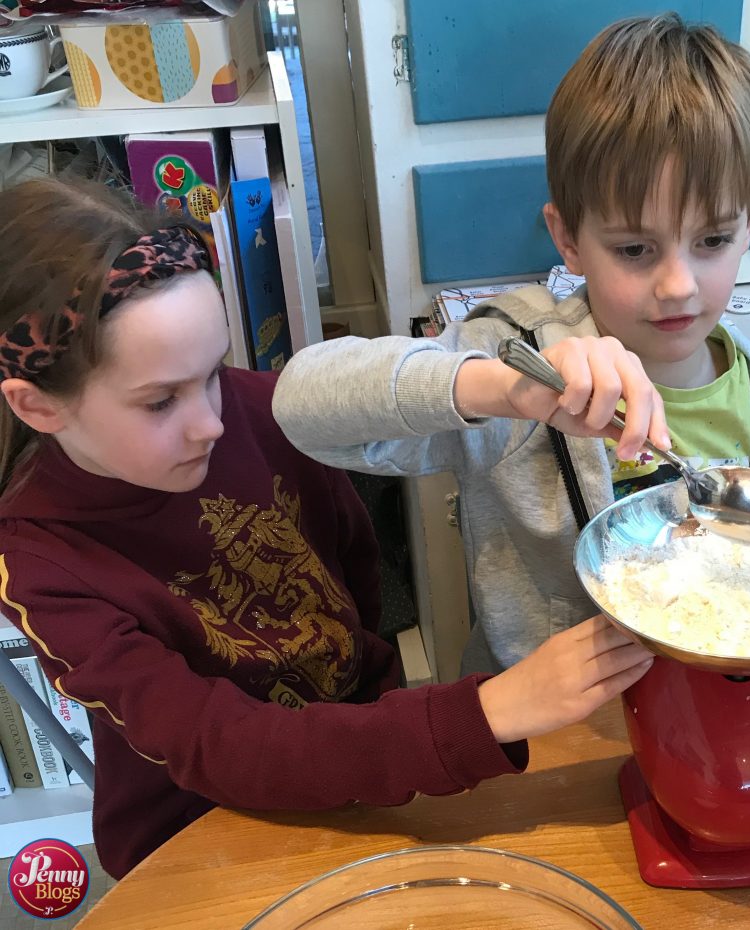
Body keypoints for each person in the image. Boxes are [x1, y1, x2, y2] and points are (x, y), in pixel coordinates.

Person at [0, 178, 657, 879]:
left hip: (364, 761)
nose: (214, 422)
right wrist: (489, 710)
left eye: (214, 372)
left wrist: (506, 387)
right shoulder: (42, 561)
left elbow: (353, 557)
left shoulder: (250, 413)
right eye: (161, 401)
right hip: (202, 832)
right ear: (38, 408)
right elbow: (224, 747)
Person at [273, 13, 750, 674]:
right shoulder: (520, 360)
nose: (678, 285)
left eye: (712, 240)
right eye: (634, 249)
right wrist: (502, 390)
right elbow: (301, 406)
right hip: (556, 732)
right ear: (568, 239)